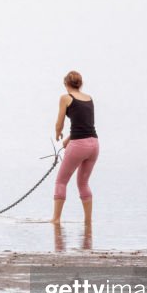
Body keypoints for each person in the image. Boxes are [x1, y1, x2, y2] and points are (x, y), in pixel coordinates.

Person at [52, 70, 99, 226]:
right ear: (80, 84)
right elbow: (84, 124)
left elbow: (59, 123)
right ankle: (88, 221)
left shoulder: (65, 98)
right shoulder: (89, 98)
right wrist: (68, 139)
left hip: (79, 145)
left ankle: (56, 219)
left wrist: (58, 133)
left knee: (61, 181)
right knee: (83, 183)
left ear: (66, 84)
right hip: (94, 144)